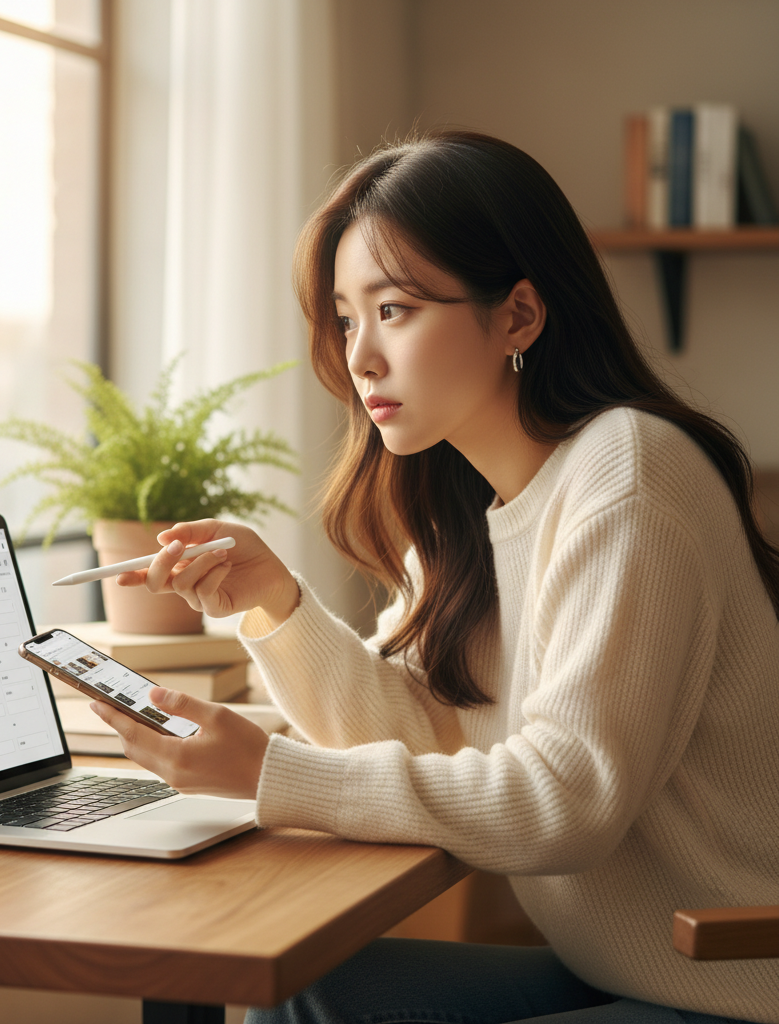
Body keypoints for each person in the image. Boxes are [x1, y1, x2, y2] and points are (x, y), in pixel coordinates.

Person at [92, 132, 779, 1023]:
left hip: (728, 984)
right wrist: (275, 604)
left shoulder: (627, 479)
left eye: (396, 310)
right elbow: (424, 728)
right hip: (623, 968)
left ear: (519, 317)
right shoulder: (475, 504)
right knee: (299, 991)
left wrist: (273, 772)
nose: (359, 357)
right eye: (346, 318)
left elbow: (565, 801)